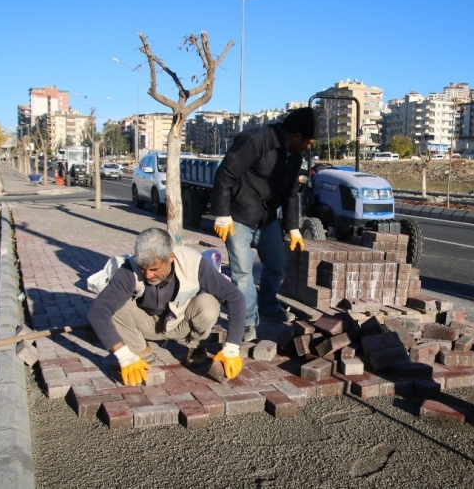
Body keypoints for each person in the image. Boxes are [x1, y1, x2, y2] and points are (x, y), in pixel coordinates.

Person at [210, 107, 318, 342]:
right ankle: (247, 321)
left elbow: (291, 194)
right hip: (238, 218)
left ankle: (269, 305)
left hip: (268, 219)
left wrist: (293, 228)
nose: (309, 147)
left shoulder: (295, 155)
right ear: (297, 136)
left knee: (277, 266)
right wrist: (222, 213)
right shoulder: (255, 140)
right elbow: (225, 174)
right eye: (308, 141)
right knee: (242, 272)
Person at [87, 228, 245, 386]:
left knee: (208, 303)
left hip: (182, 322)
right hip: (147, 325)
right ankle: (139, 351)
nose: (148, 275)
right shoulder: (129, 269)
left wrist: (232, 348)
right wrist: (123, 355)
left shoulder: (192, 262)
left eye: (154, 269)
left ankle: (197, 348)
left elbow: (235, 297)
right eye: (143, 268)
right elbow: (98, 311)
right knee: (117, 305)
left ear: (171, 258)